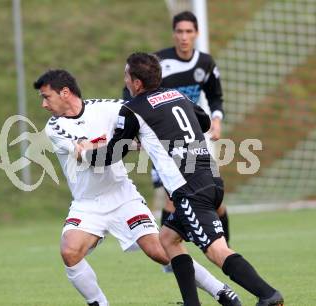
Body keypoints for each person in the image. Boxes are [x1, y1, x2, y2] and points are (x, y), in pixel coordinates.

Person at [77, 53, 284, 306]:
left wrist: (85, 153)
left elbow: (112, 154)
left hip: (190, 190)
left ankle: (268, 295)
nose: (125, 80)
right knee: (168, 239)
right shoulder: (178, 95)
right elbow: (205, 122)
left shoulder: (132, 109)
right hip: (210, 177)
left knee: (216, 251)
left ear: (137, 83)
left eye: (126, 76)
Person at [34, 69, 241, 306]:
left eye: (46, 97)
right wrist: (129, 142)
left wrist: (141, 137)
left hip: (123, 197)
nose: (43, 104)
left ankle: (222, 292)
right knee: (70, 251)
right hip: (87, 204)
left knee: (160, 251)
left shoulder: (107, 107)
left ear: (65, 92)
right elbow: (85, 154)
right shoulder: (54, 127)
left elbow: (142, 115)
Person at [123, 11, 230, 243]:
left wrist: (217, 121)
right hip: (165, 140)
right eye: (179, 31)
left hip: (194, 136)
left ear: (197, 34)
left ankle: (223, 246)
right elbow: (132, 91)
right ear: (173, 34)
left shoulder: (205, 63)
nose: (184, 37)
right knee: (171, 197)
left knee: (216, 199)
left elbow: (215, 96)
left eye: (189, 31)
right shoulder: (158, 63)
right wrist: (136, 126)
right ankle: (170, 253)